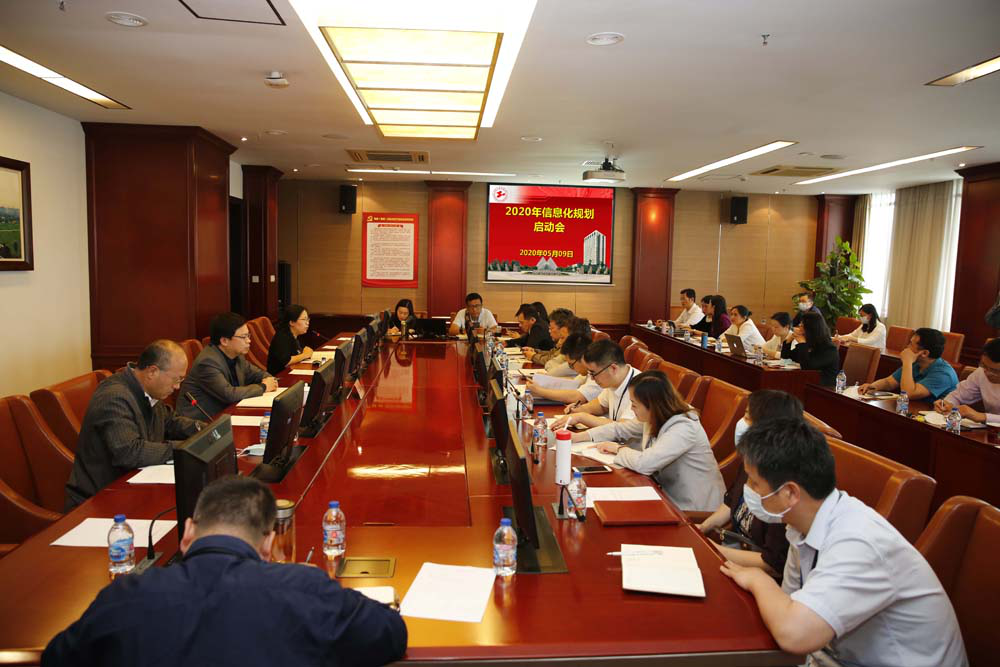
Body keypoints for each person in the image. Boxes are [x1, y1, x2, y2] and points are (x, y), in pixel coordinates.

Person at [44, 476, 407, 666]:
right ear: (268, 543)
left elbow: (57, 658)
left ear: (188, 532)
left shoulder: (126, 597)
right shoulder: (304, 589)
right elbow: (390, 634)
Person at [720, 418, 967, 667]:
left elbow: (794, 635)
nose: (749, 489)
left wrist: (759, 580)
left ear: (790, 493)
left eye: (754, 483)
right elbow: (787, 606)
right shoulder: (801, 526)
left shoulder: (859, 541)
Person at [64, 340, 204, 509]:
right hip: (99, 501)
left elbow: (170, 421)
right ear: (152, 371)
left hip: (133, 488)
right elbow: (130, 452)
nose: (177, 387)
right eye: (176, 379)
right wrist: (184, 448)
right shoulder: (114, 397)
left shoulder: (146, 389)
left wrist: (201, 429)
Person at [581, 371, 725, 512]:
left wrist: (618, 449)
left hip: (691, 507)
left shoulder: (684, 426)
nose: (631, 409)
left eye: (634, 404)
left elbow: (645, 464)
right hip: (663, 494)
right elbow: (620, 428)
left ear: (651, 405)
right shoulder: (655, 415)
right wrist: (580, 436)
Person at [697, 390, 802, 580]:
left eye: (746, 417)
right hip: (734, 557)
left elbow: (772, 565)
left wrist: (713, 549)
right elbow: (731, 502)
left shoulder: (785, 487)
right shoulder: (752, 459)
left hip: (758, 574)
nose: (741, 423)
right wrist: (703, 528)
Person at [177, 313, 278, 419]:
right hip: (201, 422)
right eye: (243, 337)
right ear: (224, 341)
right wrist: (263, 387)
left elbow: (258, 374)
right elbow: (229, 394)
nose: (249, 341)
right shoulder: (207, 362)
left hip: (227, 413)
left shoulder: (237, 356)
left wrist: (270, 380)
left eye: (248, 335)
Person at [551, 339, 637, 430]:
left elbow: (624, 428)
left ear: (613, 368)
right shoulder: (614, 379)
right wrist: (581, 409)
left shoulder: (639, 387)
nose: (592, 378)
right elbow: (601, 405)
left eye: (593, 373)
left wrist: (582, 417)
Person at [860, 327, 958, 400]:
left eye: (911, 344)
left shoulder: (944, 374)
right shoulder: (917, 363)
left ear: (924, 353)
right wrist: (873, 386)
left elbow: (908, 394)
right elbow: (889, 382)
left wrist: (907, 361)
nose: (907, 347)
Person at [934, 337, 1000, 424]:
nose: (987, 373)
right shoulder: (981, 372)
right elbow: (958, 395)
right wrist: (946, 404)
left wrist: (982, 416)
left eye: (995, 371)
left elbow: (980, 417)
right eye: (984, 365)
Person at [525, 333, 602, 407]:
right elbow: (574, 382)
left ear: (582, 358)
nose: (572, 368)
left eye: (571, 364)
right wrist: (544, 380)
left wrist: (540, 391)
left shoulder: (598, 372)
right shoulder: (588, 370)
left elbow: (577, 396)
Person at [781, 312, 840, 387]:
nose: (799, 327)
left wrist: (802, 343)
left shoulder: (829, 349)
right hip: (808, 382)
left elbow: (807, 367)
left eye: (802, 325)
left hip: (823, 388)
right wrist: (789, 340)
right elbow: (785, 356)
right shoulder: (810, 343)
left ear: (811, 328)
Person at [266, 304, 314, 375]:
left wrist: (305, 353)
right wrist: (304, 355)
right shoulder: (282, 337)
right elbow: (286, 361)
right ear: (292, 322)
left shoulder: (294, 335)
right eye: (304, 319)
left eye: (308, 319)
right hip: (279, 377)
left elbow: (305, 349)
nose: (307, 323)